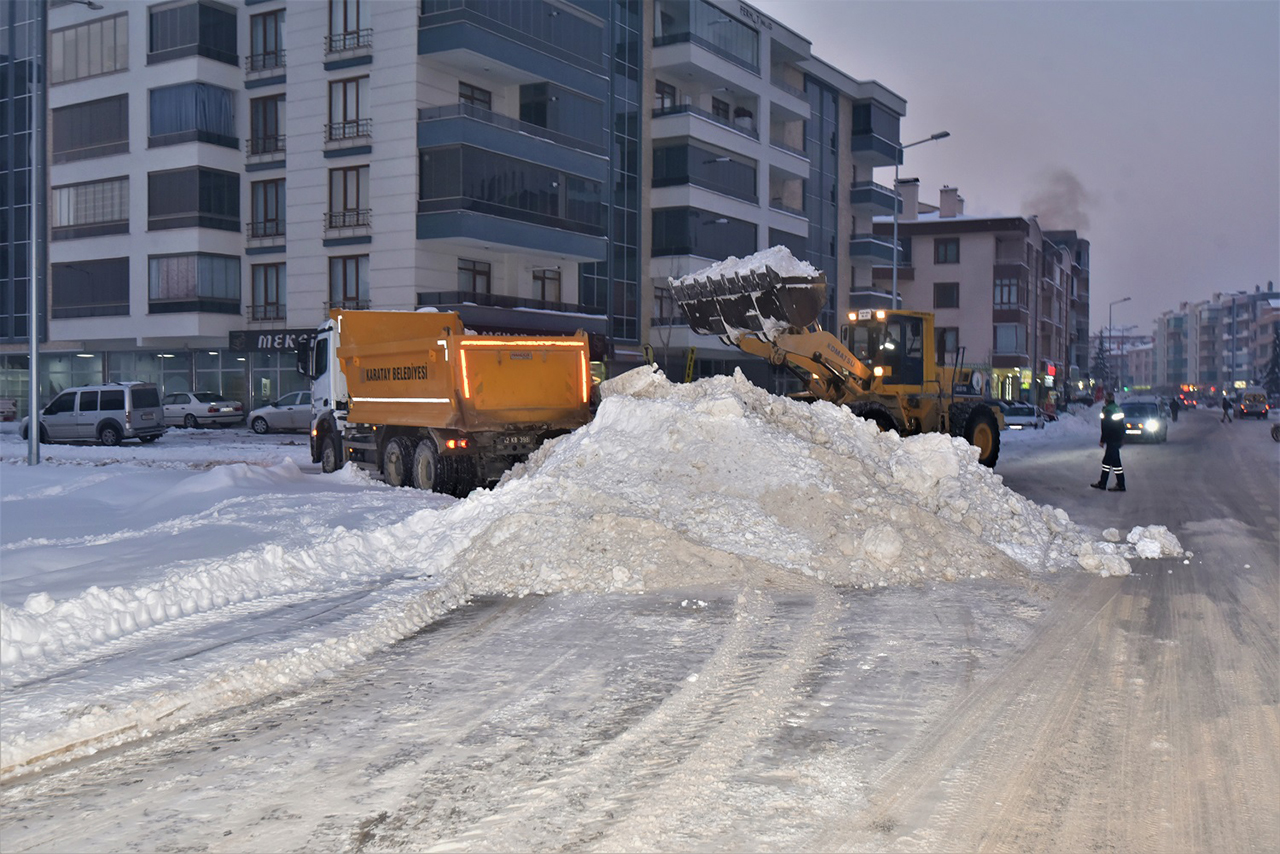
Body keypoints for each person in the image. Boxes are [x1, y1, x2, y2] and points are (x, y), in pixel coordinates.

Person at [1092, 392, 1126, 492]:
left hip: (1111, 439)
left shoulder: (1107, 410)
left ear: (1106, 400)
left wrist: (1102, 440)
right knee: (1110, 462)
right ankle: (1105, 483)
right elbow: (1121, 425)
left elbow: (1106, 427)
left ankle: (1118, 484)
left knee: (1112, 463)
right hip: (1117, 439)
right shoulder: (1117, 408)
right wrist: (1123, 438)